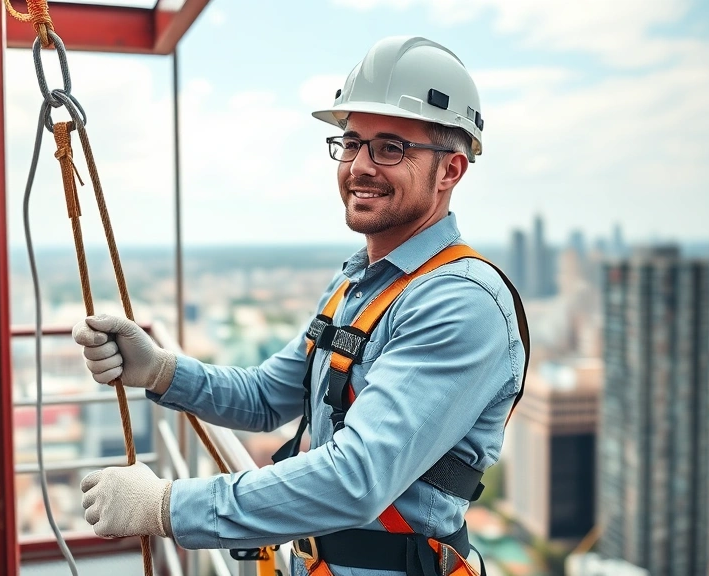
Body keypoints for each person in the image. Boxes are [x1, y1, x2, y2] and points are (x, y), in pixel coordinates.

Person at [73, 35, 528, 576]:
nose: (360, 165)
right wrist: (161, 371)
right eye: (351, 142)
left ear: (450, 170)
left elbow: (355, 479)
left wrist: (169, 506)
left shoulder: (461, 304)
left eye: (390, 147)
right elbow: (268, 398)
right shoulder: (358, 285)